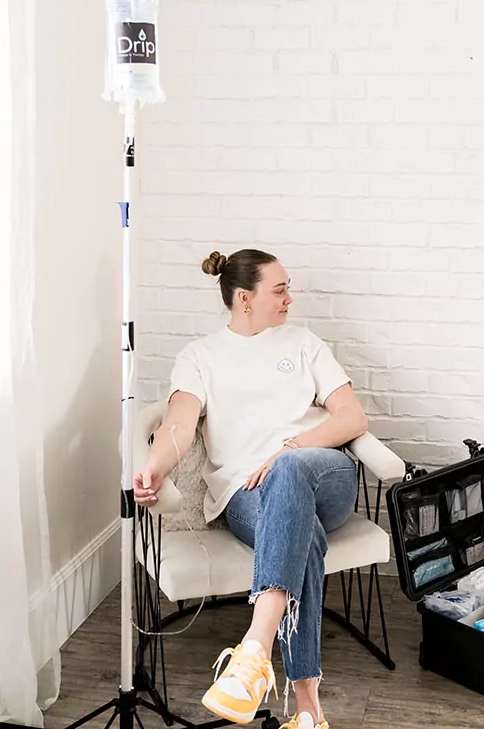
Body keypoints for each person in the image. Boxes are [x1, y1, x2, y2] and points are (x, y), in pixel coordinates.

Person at [133, 248, 368, 729]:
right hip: (246, 499)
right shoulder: (200, 356)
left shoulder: (304, 343)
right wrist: (154, 464)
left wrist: (290, 449)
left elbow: (352, 418)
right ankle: (308, 711)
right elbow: (179, 423)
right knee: (303, 537)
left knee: (289, 472)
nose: (289, 299)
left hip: (323, 473)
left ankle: (255, 648)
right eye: (279, 290)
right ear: (244, 298)